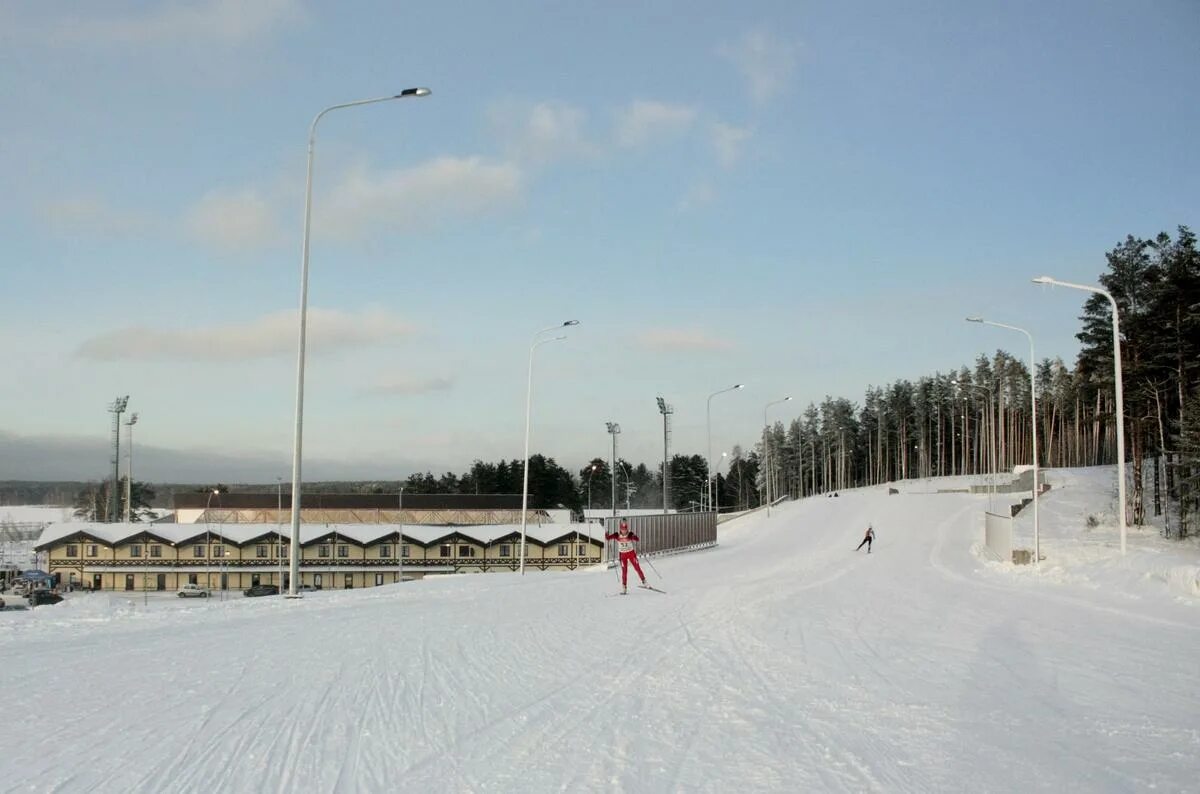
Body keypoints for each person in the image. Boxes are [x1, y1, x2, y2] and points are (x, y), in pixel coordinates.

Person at [605, 519, 647, 593]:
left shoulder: (630, 534)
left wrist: (633, 537)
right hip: (623, 555)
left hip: (631, 554)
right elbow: (608, 538)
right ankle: (624, 587)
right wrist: (607, 534)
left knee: (637, 568)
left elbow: (637, 539)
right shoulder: (617, 535)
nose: (624, 531)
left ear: (627, 529)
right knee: (624, 571)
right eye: (622, 529)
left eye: (625, 529)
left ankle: (644, 581)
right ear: (620, 529)